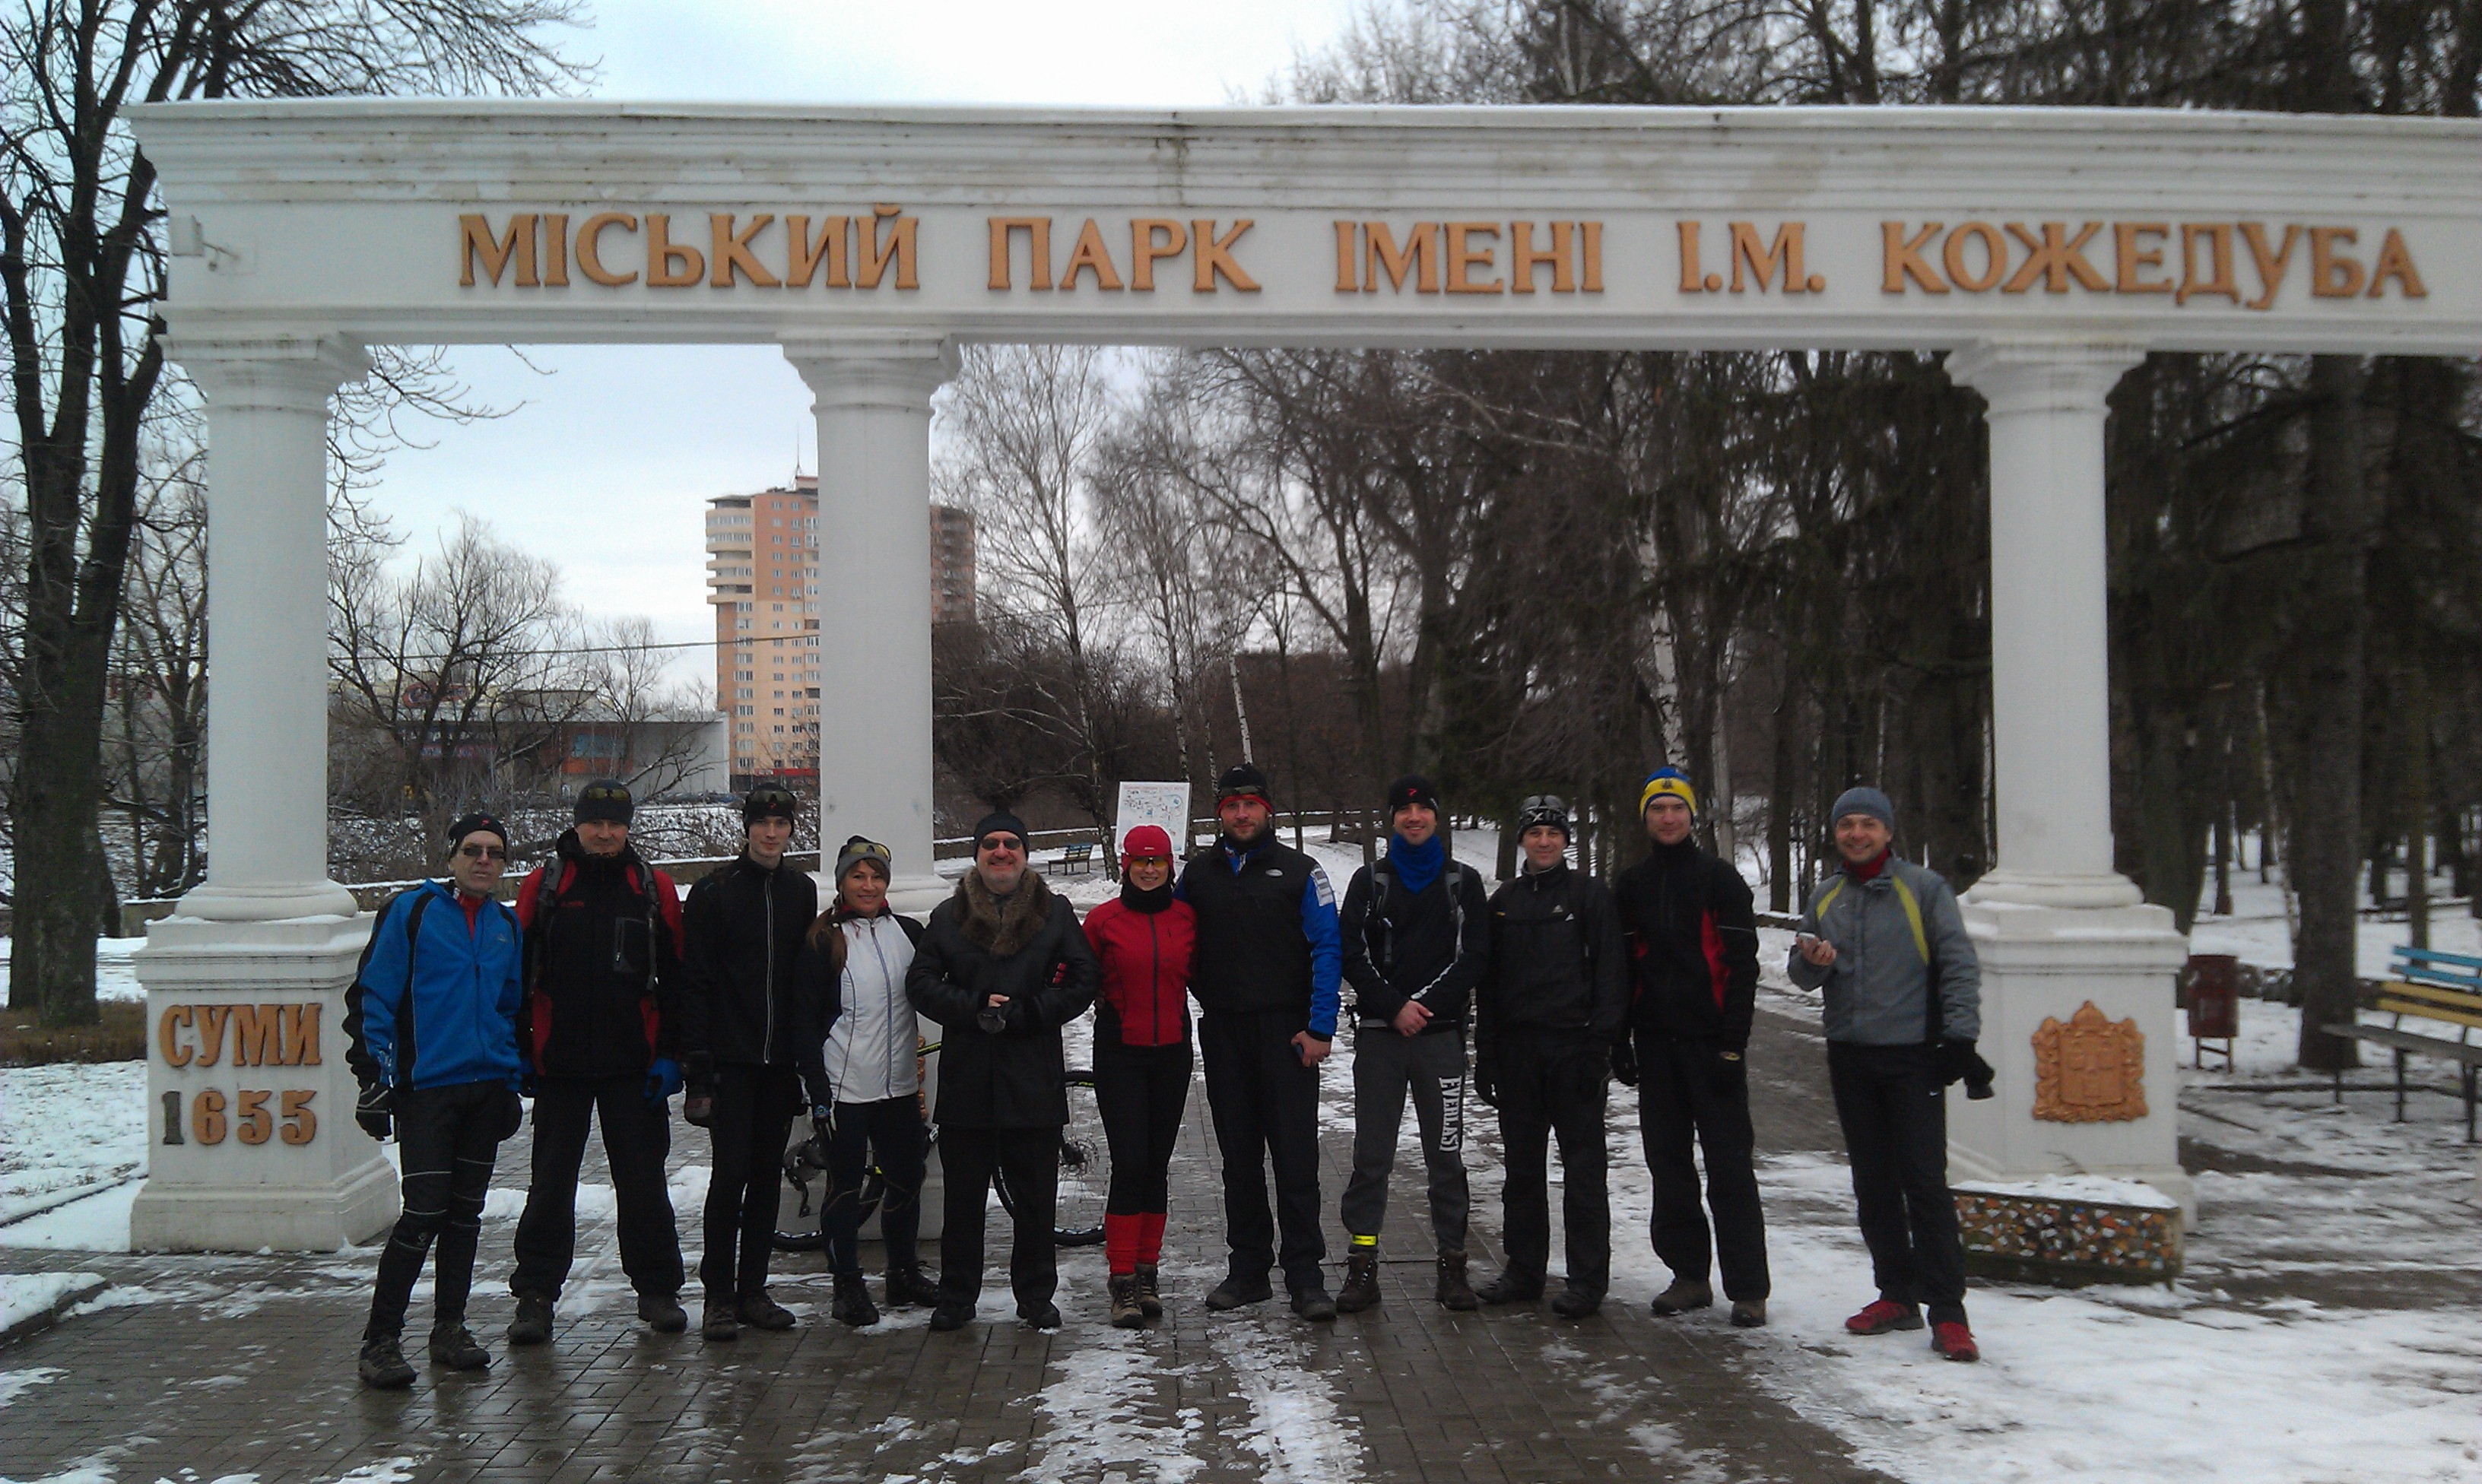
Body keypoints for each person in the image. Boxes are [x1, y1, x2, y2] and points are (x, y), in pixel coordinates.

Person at [1791, 785, 1987, 1362]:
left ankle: (1948, 1311)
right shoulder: (1826, 895)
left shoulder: (1924, 889)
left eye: (1867, 825)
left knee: (1924, 1182)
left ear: (1888, 832)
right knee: (1872, 1182)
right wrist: (1812, 962)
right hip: (1851, 1056)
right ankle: (1896, 1294)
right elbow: (1801, 973)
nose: (1857, 834)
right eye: (1846, 824)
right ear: (1836, 833)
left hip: (1913, 1056)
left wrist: (1960, 1037)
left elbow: (1958, 965)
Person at [344, 812, 528, 1389]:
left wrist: (510, 1076)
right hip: (426, 1091)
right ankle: (380, 1340)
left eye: (495, 852)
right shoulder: (412, 911)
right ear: (451, 857)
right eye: (472, 850)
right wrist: (373, 1078)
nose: (483, 861)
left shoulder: (505, 924)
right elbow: (373, 995)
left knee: (465, 1215)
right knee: (423, 1213)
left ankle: (450, 1328)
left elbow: (509, 1007)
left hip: (484, 1090)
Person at [505, 779, 689, 1346]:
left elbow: (678, 978)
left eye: (615, 824)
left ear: (628, 828)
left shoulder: (652, 888)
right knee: (549, 1184)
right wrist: (520, 1050)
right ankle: (536, 1294)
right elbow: (516, 974)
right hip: (559, 1063)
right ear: (577, 824)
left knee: (644, 1184)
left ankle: (658, 1289)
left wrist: (672, 1054)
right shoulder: (546, 885)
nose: (605, 834)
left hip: (633, 1064)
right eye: (595, 823)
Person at [906, 811, 1100, 1332]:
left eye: (1011, 843)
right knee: (963, 1200)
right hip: (968, 1076)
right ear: (976, 854)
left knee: (1035, 1199)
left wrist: (1029, 1012)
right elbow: (921, 982)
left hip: (1032, 1074)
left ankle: (1036, 1296)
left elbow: (1084, 979)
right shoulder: (948, 915)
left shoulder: (1055, 912)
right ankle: (957, 1297)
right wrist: (973, 1007)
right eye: (990, 843)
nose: (1001, 851)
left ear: (1025, 853)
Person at [1176, 763, 1343, 1321]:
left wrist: (1321, 1027)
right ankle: (1248, 1270)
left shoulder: (1301, 871)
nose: (1242, 814)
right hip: (1225, 1032)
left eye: (1251, 804)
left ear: (1267, 810)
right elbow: (1175, 942)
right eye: (1232, 805)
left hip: (1288, 1034)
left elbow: (1327, 948)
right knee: (1239, 1160)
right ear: (1219, 813)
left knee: (1295, 1160)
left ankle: (1305, 1276)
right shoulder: (1197, 876)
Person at [1611, 766, 1769, 1327]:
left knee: (1730, 1167)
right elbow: (1624, 969)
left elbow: (1743, 968)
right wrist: (1621, 1040)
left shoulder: (1720, 880)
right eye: (1658, 809)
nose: (1668, 817)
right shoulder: (1632, 885)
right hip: (1658, 1046)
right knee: (1669, 1165)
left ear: (1691, 815)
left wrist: (1733, 1045)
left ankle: (1748, 1287)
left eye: (1677, 807)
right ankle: (1689, 1275)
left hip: (1712, 1046)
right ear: (1646, 818)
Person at [1336, 775, 1490, 1313]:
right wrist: (1392, 1006)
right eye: (1404, 811)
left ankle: (1453, 1264)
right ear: (1391, 821)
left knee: (1445, 1157)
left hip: (1440, 1039)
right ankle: (1362, 1263)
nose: (1414, 817)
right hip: (1381, 1039)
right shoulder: (1369, 882)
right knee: (1371, 1157)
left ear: (1437, 817)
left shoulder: (1463, 883)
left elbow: (1475, 956)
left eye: (1423, 808)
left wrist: (1421, 1006)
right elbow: (1350, 953)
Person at [1473, 795, 1629, 1318]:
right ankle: (1524, 1270)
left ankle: (1587, 1279)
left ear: (1566, 840)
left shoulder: (1589, 896)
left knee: (1583, 1171)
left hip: (1574, 1049)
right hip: (1518, 1052)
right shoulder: (1504, 901)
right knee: (1521, 1169)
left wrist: (1600, 1047)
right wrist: (1487, 1053)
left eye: (1553, 834)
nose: (1544, 842)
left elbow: (1611, 975)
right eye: (1535, 833)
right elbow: (1488, 985)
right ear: (1522, 840)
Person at [678, 783, 819, 1341]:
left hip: (778, 1063)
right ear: (747, 828)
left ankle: (754, 1289)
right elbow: (694, 982)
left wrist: (805, 1058)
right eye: (763, 823)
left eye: (781, 825)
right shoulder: (714, 892)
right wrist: (698, 1068)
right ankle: (718, 1294)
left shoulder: (800, 891)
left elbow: (803, 979)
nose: (771, 833)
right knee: (730, 1174)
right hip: (730, 1061)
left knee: (765, 1178)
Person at [793, 836, 940, 1328]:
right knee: (845, 1188)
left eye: (877, 877)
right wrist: (816, 1089)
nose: (869, 885)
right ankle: (847, 1286)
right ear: (842, 883)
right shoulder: (823, 940)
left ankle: (902, 1273)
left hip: (898, 1086)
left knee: (906, 1179)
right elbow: (803, 1021)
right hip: (845, 1088)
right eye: (858, 876)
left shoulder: (908, 932)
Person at [1079, 823, 1198, 1328]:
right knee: (1130, 1163)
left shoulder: (1187, 917)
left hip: (1172, 1053)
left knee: (1156, 1165)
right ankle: (1122, 1278)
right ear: (1126, 865)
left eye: (1158, 861)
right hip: (1120, 1053)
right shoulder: (1103, 920)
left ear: (1170, 866)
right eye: (1141, 861)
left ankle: (1148, 1273)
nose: (1150, 870)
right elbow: (1072, 975)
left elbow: (1211, 974)